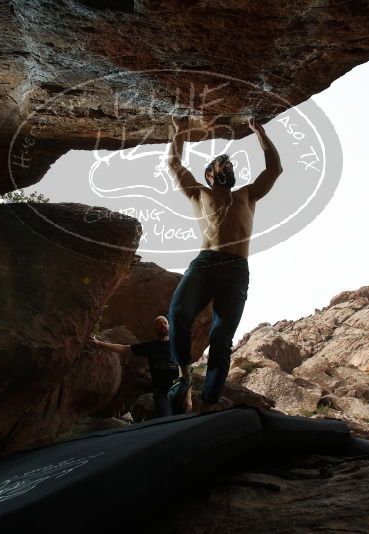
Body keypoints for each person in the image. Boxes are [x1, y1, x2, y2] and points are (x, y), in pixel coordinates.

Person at [166, 114, 283, 413]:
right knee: (179, 313)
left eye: (230, 166)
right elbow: (174, 165)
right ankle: (184, 373)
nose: (227, 168)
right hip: (205, 264)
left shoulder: (247, 194)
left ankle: (207, 405)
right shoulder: (199, 193)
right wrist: (179, 133)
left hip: (235, 270)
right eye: (221, 166)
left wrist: (260, 133)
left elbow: (274, 168)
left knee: (221, 338)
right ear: (209, 175)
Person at [88, 316, 180, 418]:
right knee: (166, 421)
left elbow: (185, 370)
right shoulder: (150, 347)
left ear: (169, 326)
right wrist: (99, 343)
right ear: (155, 329)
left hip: (179, 391)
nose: (162, 325)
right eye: (159, 324)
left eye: (165, 323)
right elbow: (124, 349)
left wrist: (188, 396)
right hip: (162, 394)